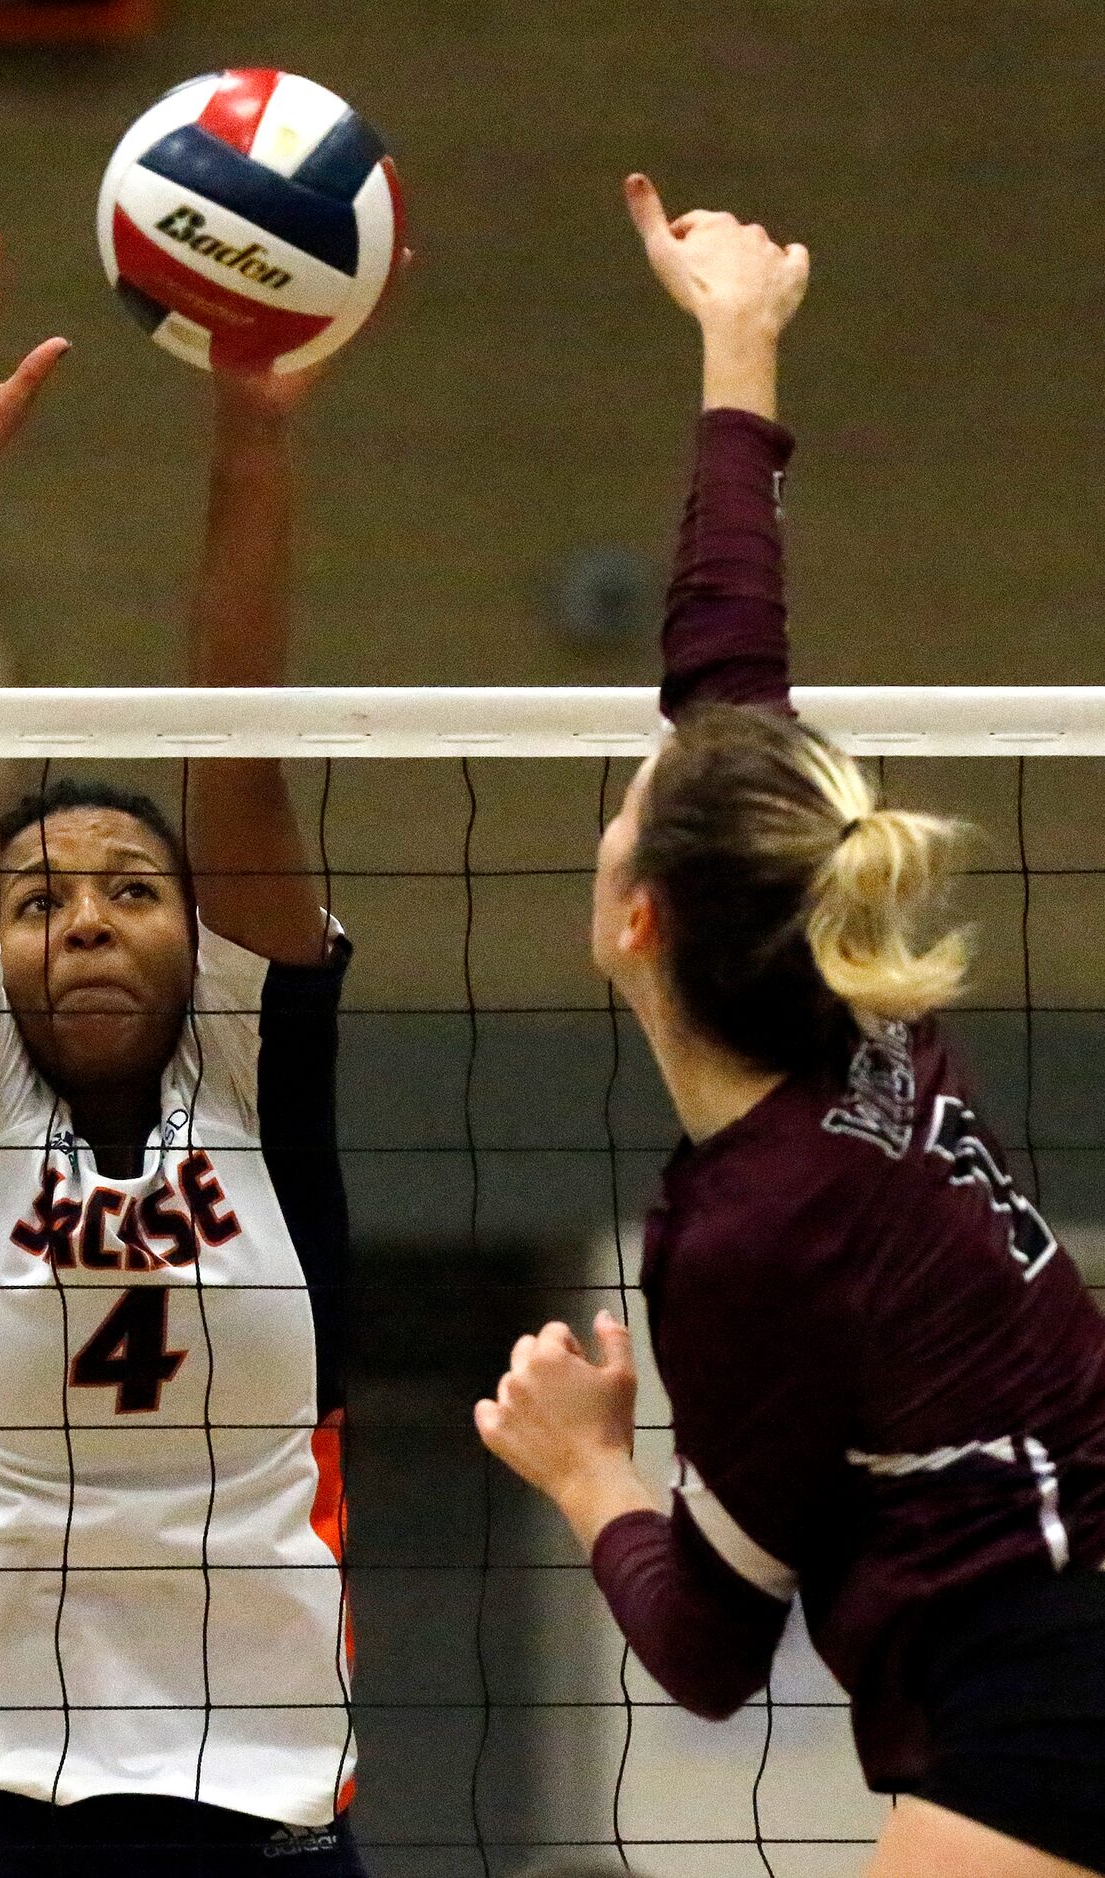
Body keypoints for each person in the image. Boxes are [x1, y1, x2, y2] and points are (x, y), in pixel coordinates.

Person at [476, 177, 1105, 1878]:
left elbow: (703, 1646)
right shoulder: (842, 982)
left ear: (636, 920)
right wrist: (734, 342)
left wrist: (582, 1468)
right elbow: (725, 664)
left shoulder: (749, 1229)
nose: (627, 793)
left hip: (1046, 1689)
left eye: (621, 815)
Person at [0, 206, 368, 1876]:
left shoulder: (256, 1082)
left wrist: (252, 424)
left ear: (197, 936)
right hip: (8, 1800)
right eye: (42, 898)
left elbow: (242, 757)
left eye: (133, 886)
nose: (86, 917)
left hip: (270, 1802)